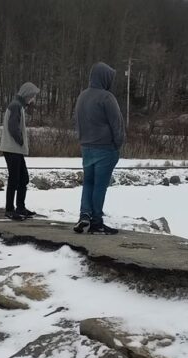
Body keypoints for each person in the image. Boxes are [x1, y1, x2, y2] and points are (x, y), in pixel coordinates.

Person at [72, 62, 125, 235]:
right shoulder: (107, 97)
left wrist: (82, 140)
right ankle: (96, 222)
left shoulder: (82, 96)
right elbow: (117, 125)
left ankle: (84, 215)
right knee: (100, 185)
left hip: (86, 146)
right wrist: (117, 145)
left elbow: (77, 122)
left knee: (88, 183)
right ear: (105, 78)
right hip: (105, 148)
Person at [0, 82, 40, 221]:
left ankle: (20, 207)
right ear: (27, 94)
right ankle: (10, 209)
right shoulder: (16, 106)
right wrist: (21, 140)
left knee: (23, 178)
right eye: (32, 96)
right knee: (14, 179)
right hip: (12, 148)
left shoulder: (18, 105)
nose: (33, 99)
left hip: (14, 149)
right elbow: (13, 127)